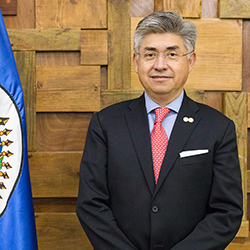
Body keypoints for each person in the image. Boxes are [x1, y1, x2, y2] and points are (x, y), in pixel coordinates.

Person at [76, 11, 243, 250]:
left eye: (172, 54)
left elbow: (227, 211)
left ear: (191, 61)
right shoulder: (106, 124)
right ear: (136, 61)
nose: (160, 65)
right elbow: (90, 204)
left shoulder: (218, 128)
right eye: (150, 54)